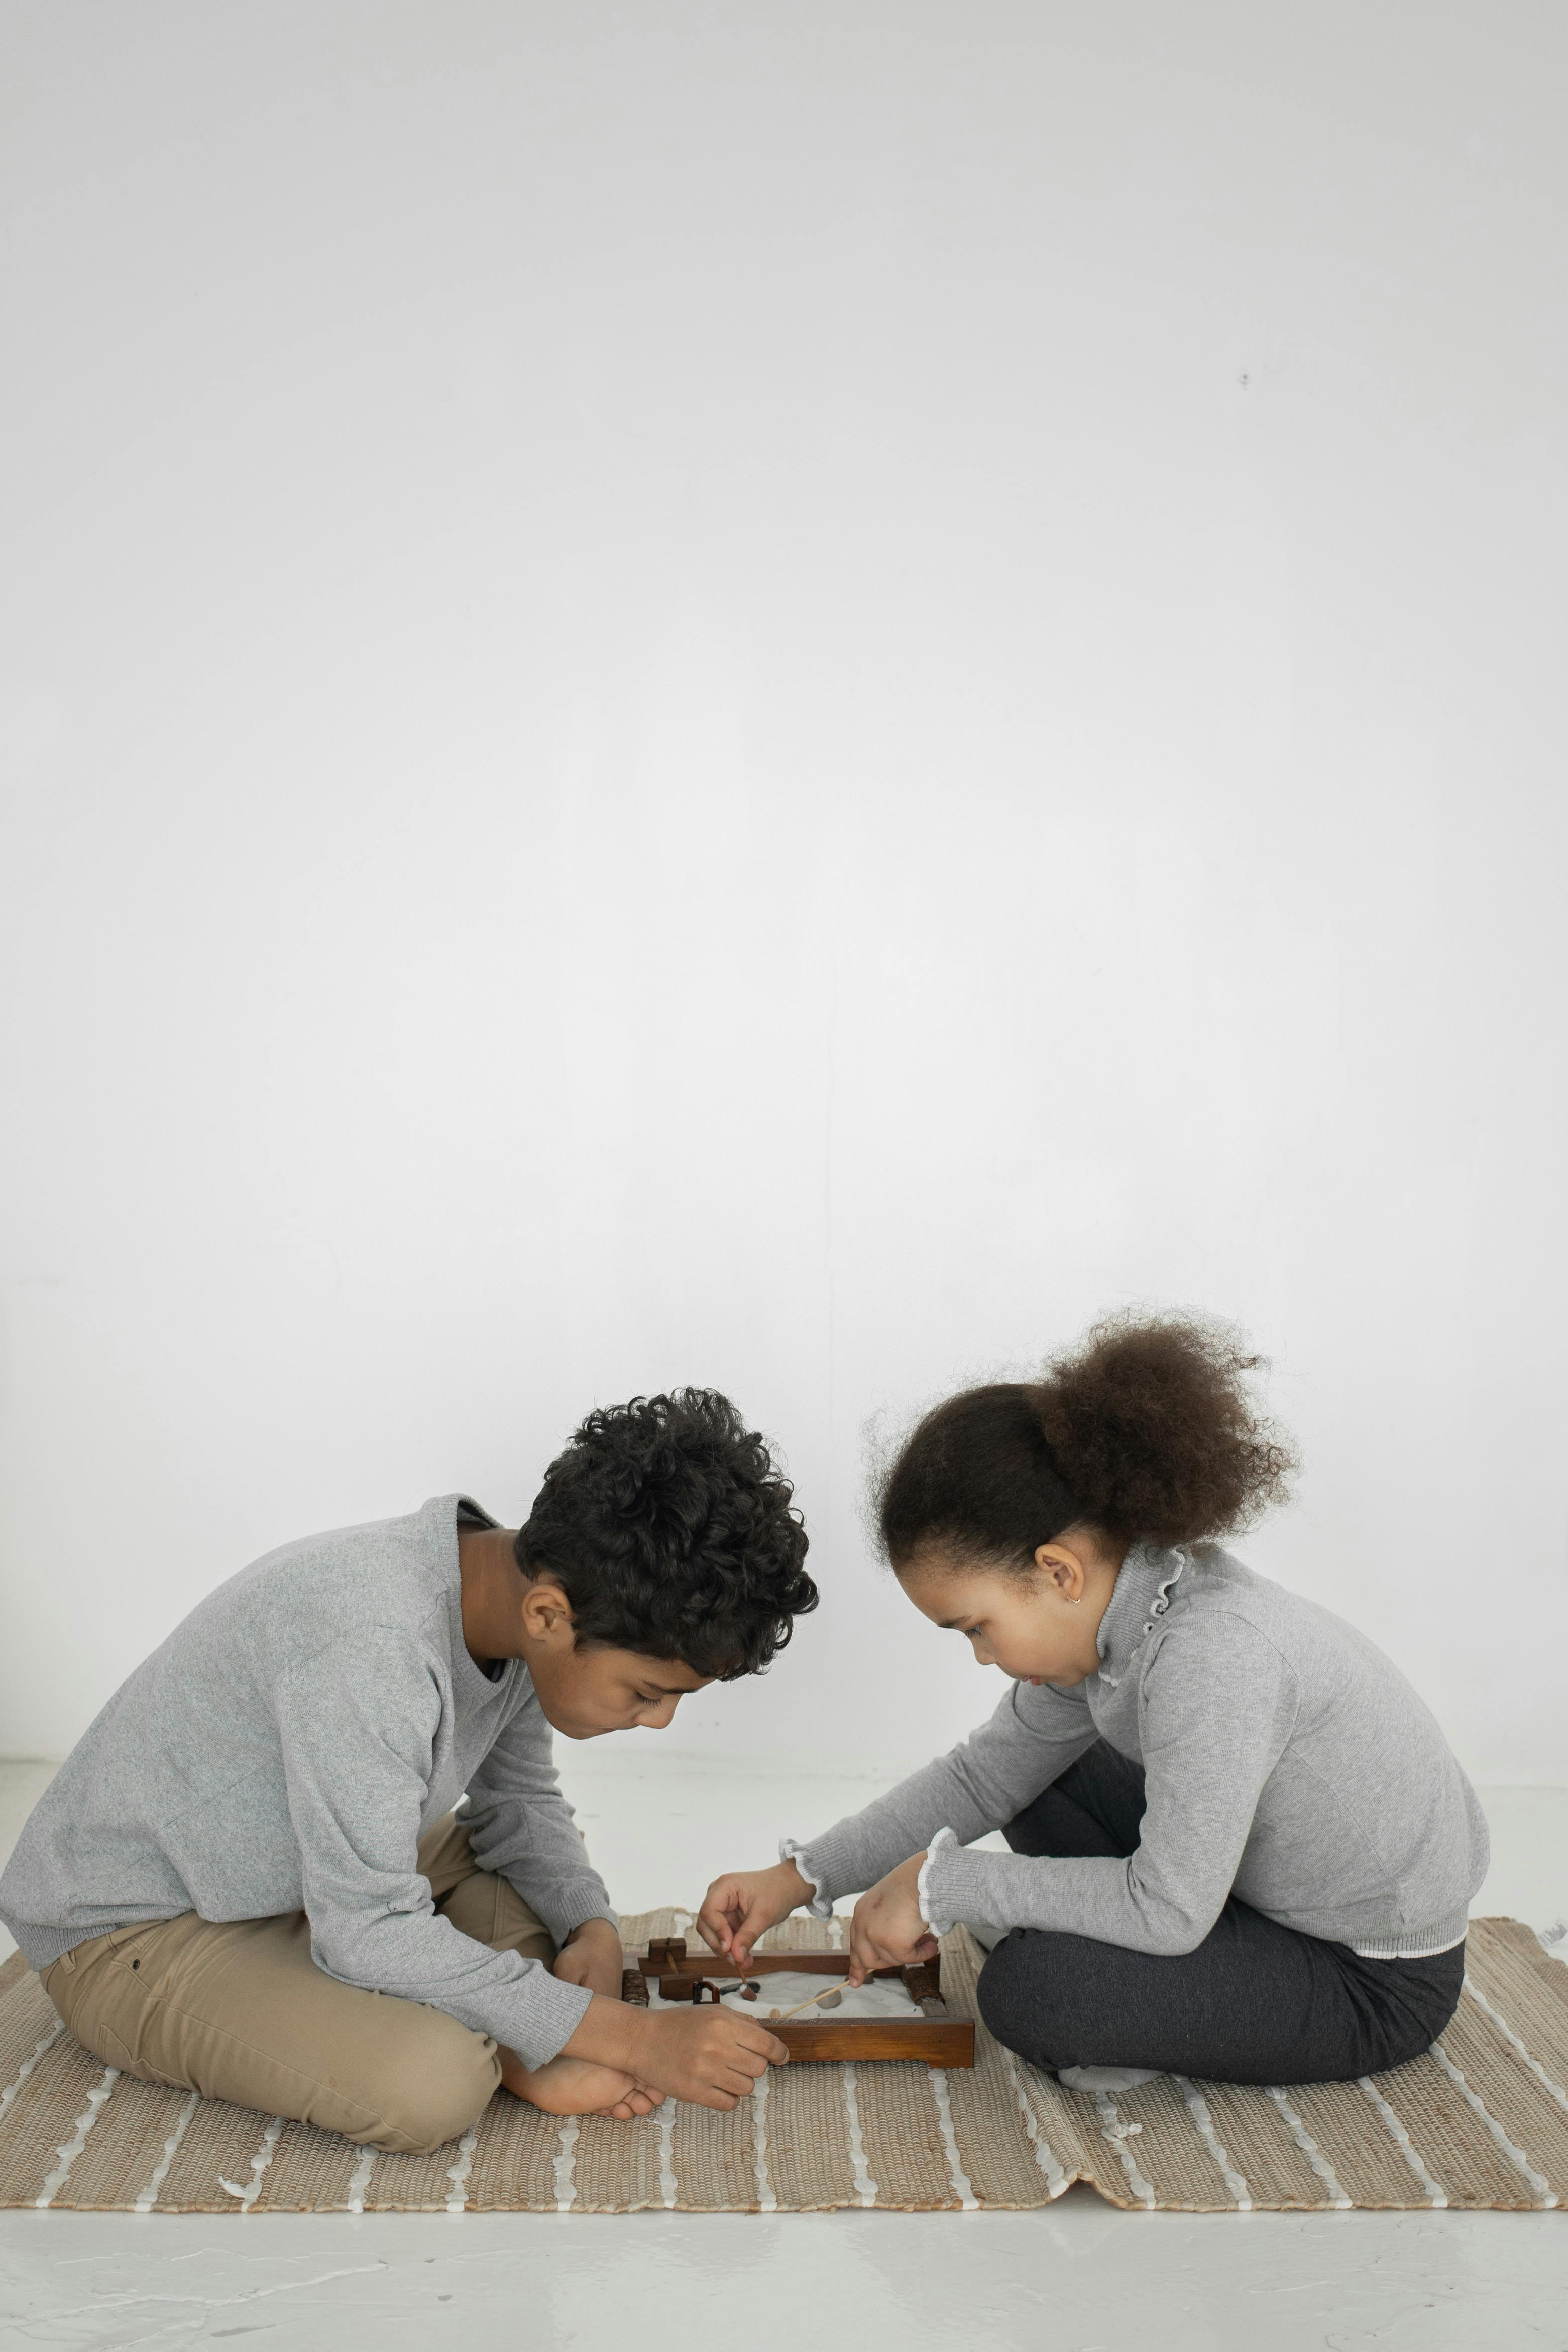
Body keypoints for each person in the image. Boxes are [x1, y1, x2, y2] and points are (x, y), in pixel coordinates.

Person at [1, 1390, 812, 2151]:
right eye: (647, 1691)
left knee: (529, 1900)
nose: (661, 1719)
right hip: (143, 1928)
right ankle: (502, 2041)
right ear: (548, 1615)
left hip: (324, 1871)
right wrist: (630, 2035)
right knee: (431, 2084)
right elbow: (363, 1927)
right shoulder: (373, 1646)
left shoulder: (524, 1602)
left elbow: (517, 1800)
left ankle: (506, 2022)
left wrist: (588, 1924)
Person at [698, 1316, 1488, 2091]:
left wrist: (944, 1885)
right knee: (1043, 1771)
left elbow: (1171, 1911)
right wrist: (798, 1878)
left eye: (979, 1628)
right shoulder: (1124, 1613)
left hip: (1371, 1981)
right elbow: (982, 1780)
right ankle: (1155, 1983)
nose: (983, 1656)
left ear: (1057, 1573)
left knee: (1032, 1994)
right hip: (1256, 1894)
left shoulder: (1213, 1653)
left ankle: (1145, 1998)